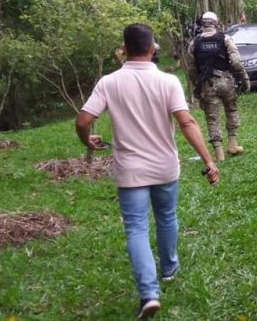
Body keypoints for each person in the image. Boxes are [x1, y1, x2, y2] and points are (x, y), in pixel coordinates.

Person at [75, 23, 220, 319]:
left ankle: (149, 294)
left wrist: (86, 140)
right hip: (165, 167)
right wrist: (209, 160)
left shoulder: (109, 82)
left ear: (123, 50)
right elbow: (187, 123)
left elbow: (82, 121)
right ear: (153, 49)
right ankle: (169, 268)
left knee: (136, 228)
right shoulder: (168, 82)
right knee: (167, 217)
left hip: (130, 172)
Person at [186, 11, 251, 161]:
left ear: (202, 24)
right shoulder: (226, 39)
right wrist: (244, 78)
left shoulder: (194, 43)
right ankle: (233, 145)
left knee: (212, 118)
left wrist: (197, 84)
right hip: (226, 82)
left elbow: (191, 69)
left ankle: (219, 153)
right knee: (231, 110)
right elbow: (235, 62)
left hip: (207, 85)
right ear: (216, 23)